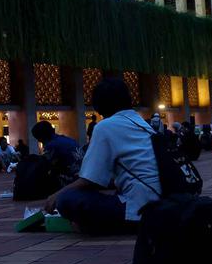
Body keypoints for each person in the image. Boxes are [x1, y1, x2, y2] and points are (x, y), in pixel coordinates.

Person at [43, 78, 160, 235]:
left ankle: (99, 225)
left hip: (140, 209)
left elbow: (90, 180)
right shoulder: (141, 123)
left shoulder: (105, 127)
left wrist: (57, 195)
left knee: (67, 199)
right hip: (160, 201)